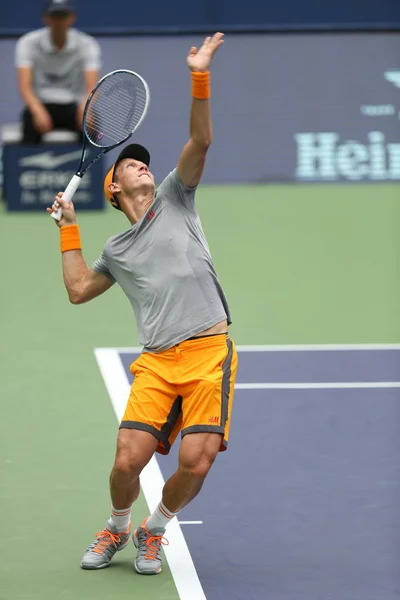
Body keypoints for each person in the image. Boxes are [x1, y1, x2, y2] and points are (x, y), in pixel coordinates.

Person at [47, 32, 237, 576]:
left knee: (195, 463)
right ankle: (117, 524)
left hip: (208, 352)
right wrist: (69, 230)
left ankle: (155, 531)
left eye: (143, 162)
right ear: (112, 188)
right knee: (126, 461)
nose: (141, 166)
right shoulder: (117, 247)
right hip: (157, 360)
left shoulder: (178, 196)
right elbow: (79, 290)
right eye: (130, 165)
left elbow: (199, 143)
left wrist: (199, 76)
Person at [15, 0, 101, 144]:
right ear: (46, 18)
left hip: (73, 107)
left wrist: (85, 108)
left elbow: (92, 86)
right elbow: (25, 86)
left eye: (63, 16)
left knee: (91, 124)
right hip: (41, 104)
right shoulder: (28, 42)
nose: (59, 21)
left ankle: (91, 165)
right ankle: (29, 165)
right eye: (55, 16)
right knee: (29, 122)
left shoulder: (87, 44)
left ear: (71, 18)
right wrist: (37, 110)